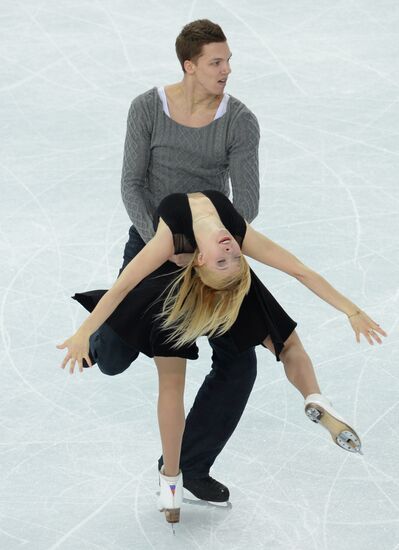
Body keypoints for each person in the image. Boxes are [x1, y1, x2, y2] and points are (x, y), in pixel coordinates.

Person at [57, 189, 387, 525]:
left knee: (190, 375)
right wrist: (84, 334)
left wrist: (352, 310)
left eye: (228, 258)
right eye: (231, 258)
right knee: (114, 361)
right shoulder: (224, 234)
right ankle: (313, 395)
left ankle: (178, 477)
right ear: (201, 258)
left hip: (190, 295)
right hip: (172, 288)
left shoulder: (183, 235)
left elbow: (299, 270)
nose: (232, 251)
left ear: (200, 258)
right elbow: (124, 286)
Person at [85, 18, 261, 503]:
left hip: (210, 257)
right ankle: (102, 323)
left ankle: (191, 464)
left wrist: (208, 249)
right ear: (190, 66)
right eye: (216, 62)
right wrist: (162, 245)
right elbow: (131, 184)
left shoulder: (240, 121)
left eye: (228, 60)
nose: (227, 70)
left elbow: (246, 204)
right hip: (152, 244)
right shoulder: (147, 109)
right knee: (114, 360)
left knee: (239, 362)